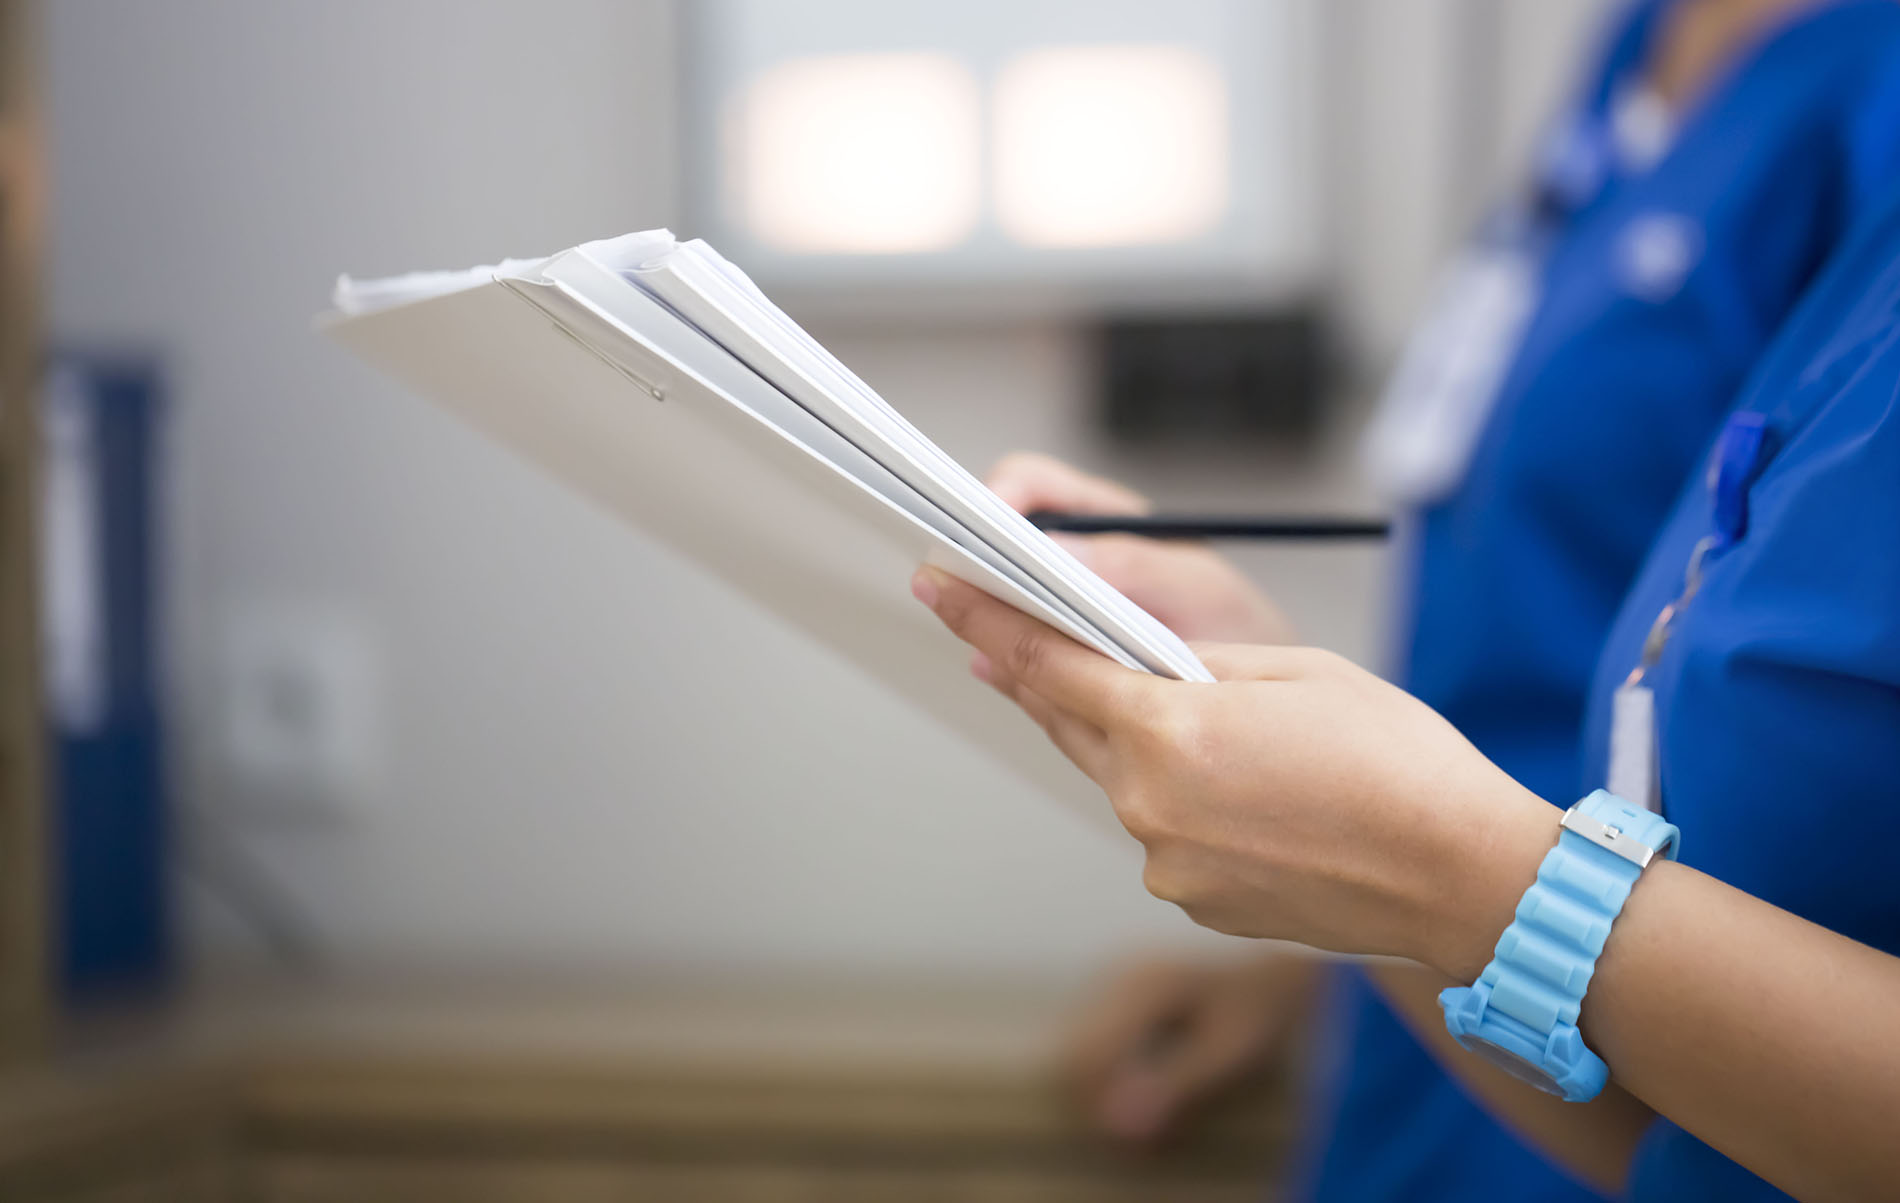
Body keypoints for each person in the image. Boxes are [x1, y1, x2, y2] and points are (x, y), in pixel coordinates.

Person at [985, 0, 1900, 1199]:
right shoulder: (1643, 64)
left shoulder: (1852, 93)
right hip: (1521, 1037)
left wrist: (1448, 884)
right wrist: (1343, 925)